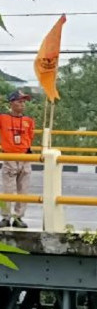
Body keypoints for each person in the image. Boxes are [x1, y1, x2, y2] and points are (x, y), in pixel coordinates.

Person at [0, 90, 34, 228]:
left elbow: (30, 137)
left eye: (24, 102)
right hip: (9, 157)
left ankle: (19, 217)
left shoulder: (28, 121)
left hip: (24, 157)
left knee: (23, 189)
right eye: (19, 101)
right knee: (8, 189)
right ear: (11, 103)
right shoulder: (2, 118)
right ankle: (6, 217)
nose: (22, 104)